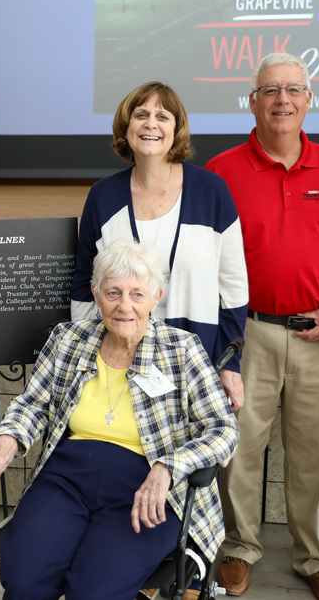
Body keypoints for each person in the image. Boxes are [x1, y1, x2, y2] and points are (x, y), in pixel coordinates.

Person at [0, 239, 238, 599]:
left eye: (136, 294)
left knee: (93, 590)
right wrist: (10, 436)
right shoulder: (68, 339)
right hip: (66, 480)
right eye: (113, 292)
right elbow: (32, 403)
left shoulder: (182, 349)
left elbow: (223, 429)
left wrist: (169, 467)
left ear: (155, 297)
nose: (124, 306)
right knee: (25, 580)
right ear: (96, 294)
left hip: (147, 488)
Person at [205, 53, 319, 600]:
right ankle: (239, 548)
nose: (282, 100)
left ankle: (315, 558)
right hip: (248, 333)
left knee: (316, 451)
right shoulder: (221, 170)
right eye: (270, 89)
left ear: (309, 99)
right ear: (252, 100)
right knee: (240, 448)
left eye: (294, 89)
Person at [71, 81, 248, 411]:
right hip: (115, 361)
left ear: (176, 129)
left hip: (196, 363)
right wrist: (82, 356)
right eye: (141, 115)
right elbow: (84, 283)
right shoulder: (103, 196)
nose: (151, 124)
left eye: (162, 116)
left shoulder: (212, 191)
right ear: (127, 128)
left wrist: (230, 363)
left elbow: (234, 287)